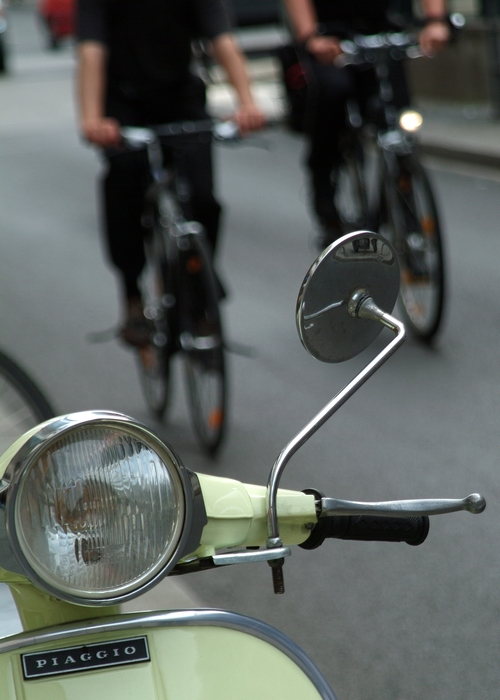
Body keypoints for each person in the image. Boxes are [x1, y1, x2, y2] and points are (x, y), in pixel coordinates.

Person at [75, 0, 265, 346]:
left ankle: (198, 286)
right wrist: (91, 118)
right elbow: (91, 52)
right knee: (125, 181)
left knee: (203, 197)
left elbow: (222, 39)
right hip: (123, 101)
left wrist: (247, 103)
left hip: (179, 96)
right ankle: (132, 294)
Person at [282, 0, 450, 249]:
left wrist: (435, 20)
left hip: (381, 32)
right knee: (333, 96)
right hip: (330, 37)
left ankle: (403, 192)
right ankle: (325, 198)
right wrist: (310, 37)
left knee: (398, 111)